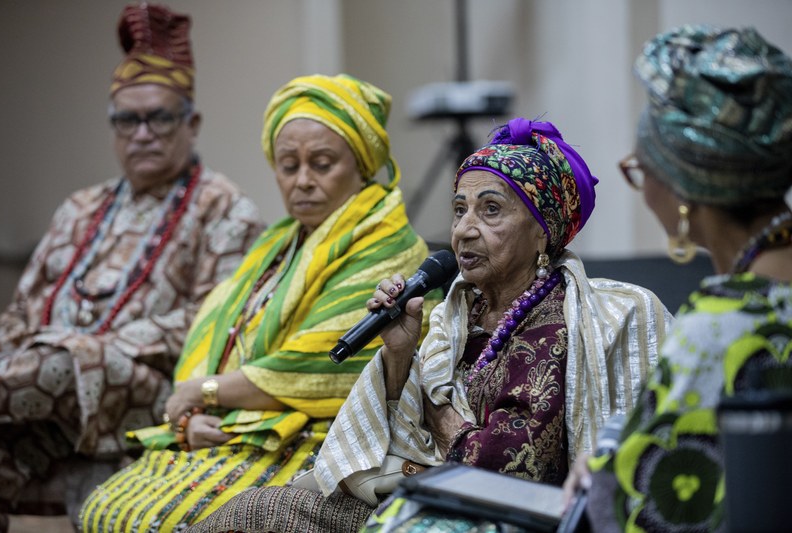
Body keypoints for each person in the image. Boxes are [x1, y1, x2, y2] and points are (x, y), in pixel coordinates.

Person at [188, 117, 672, 533]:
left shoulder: (559, 324)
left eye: (491, 210)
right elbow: (398, 438)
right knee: (252, 509)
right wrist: (400, 356)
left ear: (542, 230)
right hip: (425, 496)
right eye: (460, 209)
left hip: (491, 517)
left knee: (264, 514)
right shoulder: (455, 315)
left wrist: (436, 410)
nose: (464, 229)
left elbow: (507, 469)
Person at [79, 72, 436, 531]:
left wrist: (204, 392)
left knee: (157, 519)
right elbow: (219, 341)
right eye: (289, 166)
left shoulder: (387, 245)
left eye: (322, 163)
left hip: (316, 440)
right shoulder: (278, 241)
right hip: (239, 425)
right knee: (104, 507)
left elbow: (323, 368)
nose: (303, 181)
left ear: (362, 165)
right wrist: (191, 415)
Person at [0, 4, 262, 530]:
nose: (142, 133)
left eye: (159, 117)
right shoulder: (80, 206)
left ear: (192, 123)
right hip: (48, 379)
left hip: (150, 389)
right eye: (127, 119)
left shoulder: (225, 207)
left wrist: (85, 347)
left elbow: (211, 324)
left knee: (59, 363)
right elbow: (21, 312)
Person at [561, 25, 792, 532]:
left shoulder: (721, 328)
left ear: (686, 194)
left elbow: (636, 506)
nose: (643, 190)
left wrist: (602, 470)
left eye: (642, 172)